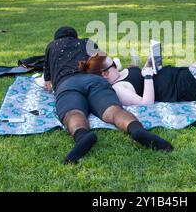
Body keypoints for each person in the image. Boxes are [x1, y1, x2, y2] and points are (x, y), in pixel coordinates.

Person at [43, 26, 173, 164]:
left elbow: (48, 84)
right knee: (114, 110)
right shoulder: (86, 41)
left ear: (56, 38)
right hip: (95, 81)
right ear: (76, 36)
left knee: (73, 113)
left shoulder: (51, 47)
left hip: (68, 84)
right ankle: (135, 129)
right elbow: (102, 60)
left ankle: (82, 135)